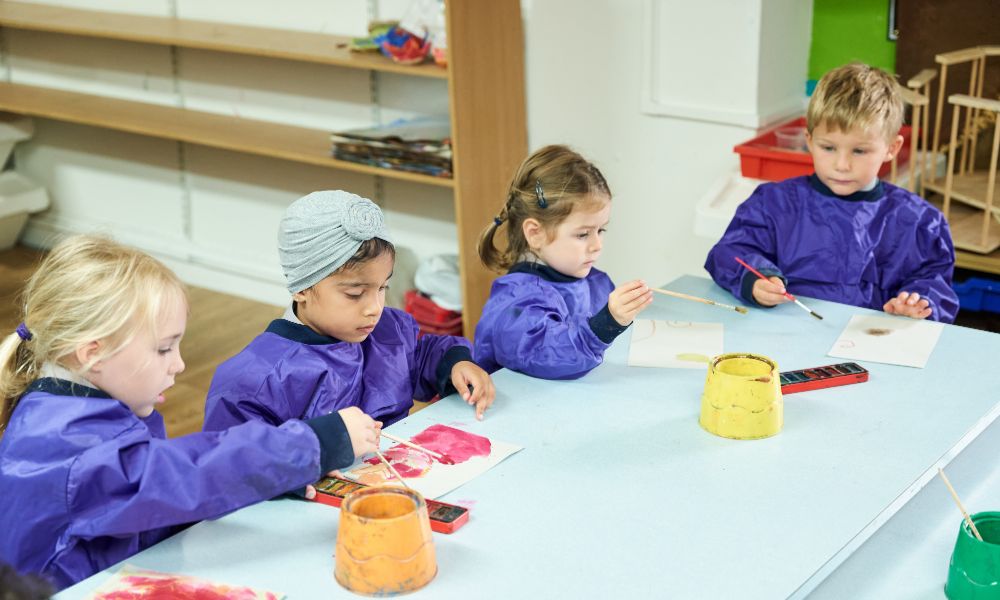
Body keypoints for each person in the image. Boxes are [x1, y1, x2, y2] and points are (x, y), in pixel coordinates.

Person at [0, 235, 379, 591]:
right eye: (164, 349)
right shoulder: (68, 447)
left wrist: (279, 477)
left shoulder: (81, 407)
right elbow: (185, 476)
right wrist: (314, 444)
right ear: (91, 354)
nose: (179, 364)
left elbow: (148, 510)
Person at [203, 190, 494, 437]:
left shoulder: (385, 332)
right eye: (355, 294)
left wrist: (454, 364)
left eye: (383, 287)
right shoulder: (255, 381)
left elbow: (419, 357)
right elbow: (234, 464)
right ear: (302, 287)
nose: (375, 307)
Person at [705, 63, 958, 323]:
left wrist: (916, 304)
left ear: (892, 148)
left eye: (859, 151)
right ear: (809, 141)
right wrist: (756, 280)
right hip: (785, 337)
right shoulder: (774, 204)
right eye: (828, 148)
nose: (842, 165)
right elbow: (731, 252)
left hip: (869, 344)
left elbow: (934, 283)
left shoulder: (920, 222)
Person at [474, 145, 653, 379]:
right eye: (583, 234)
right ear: (535, 234)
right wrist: (608, 322)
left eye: (601, 230)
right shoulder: (515, 303)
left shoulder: (594, 282)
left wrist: (623, 312)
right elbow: (551, 355)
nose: (597, 244)